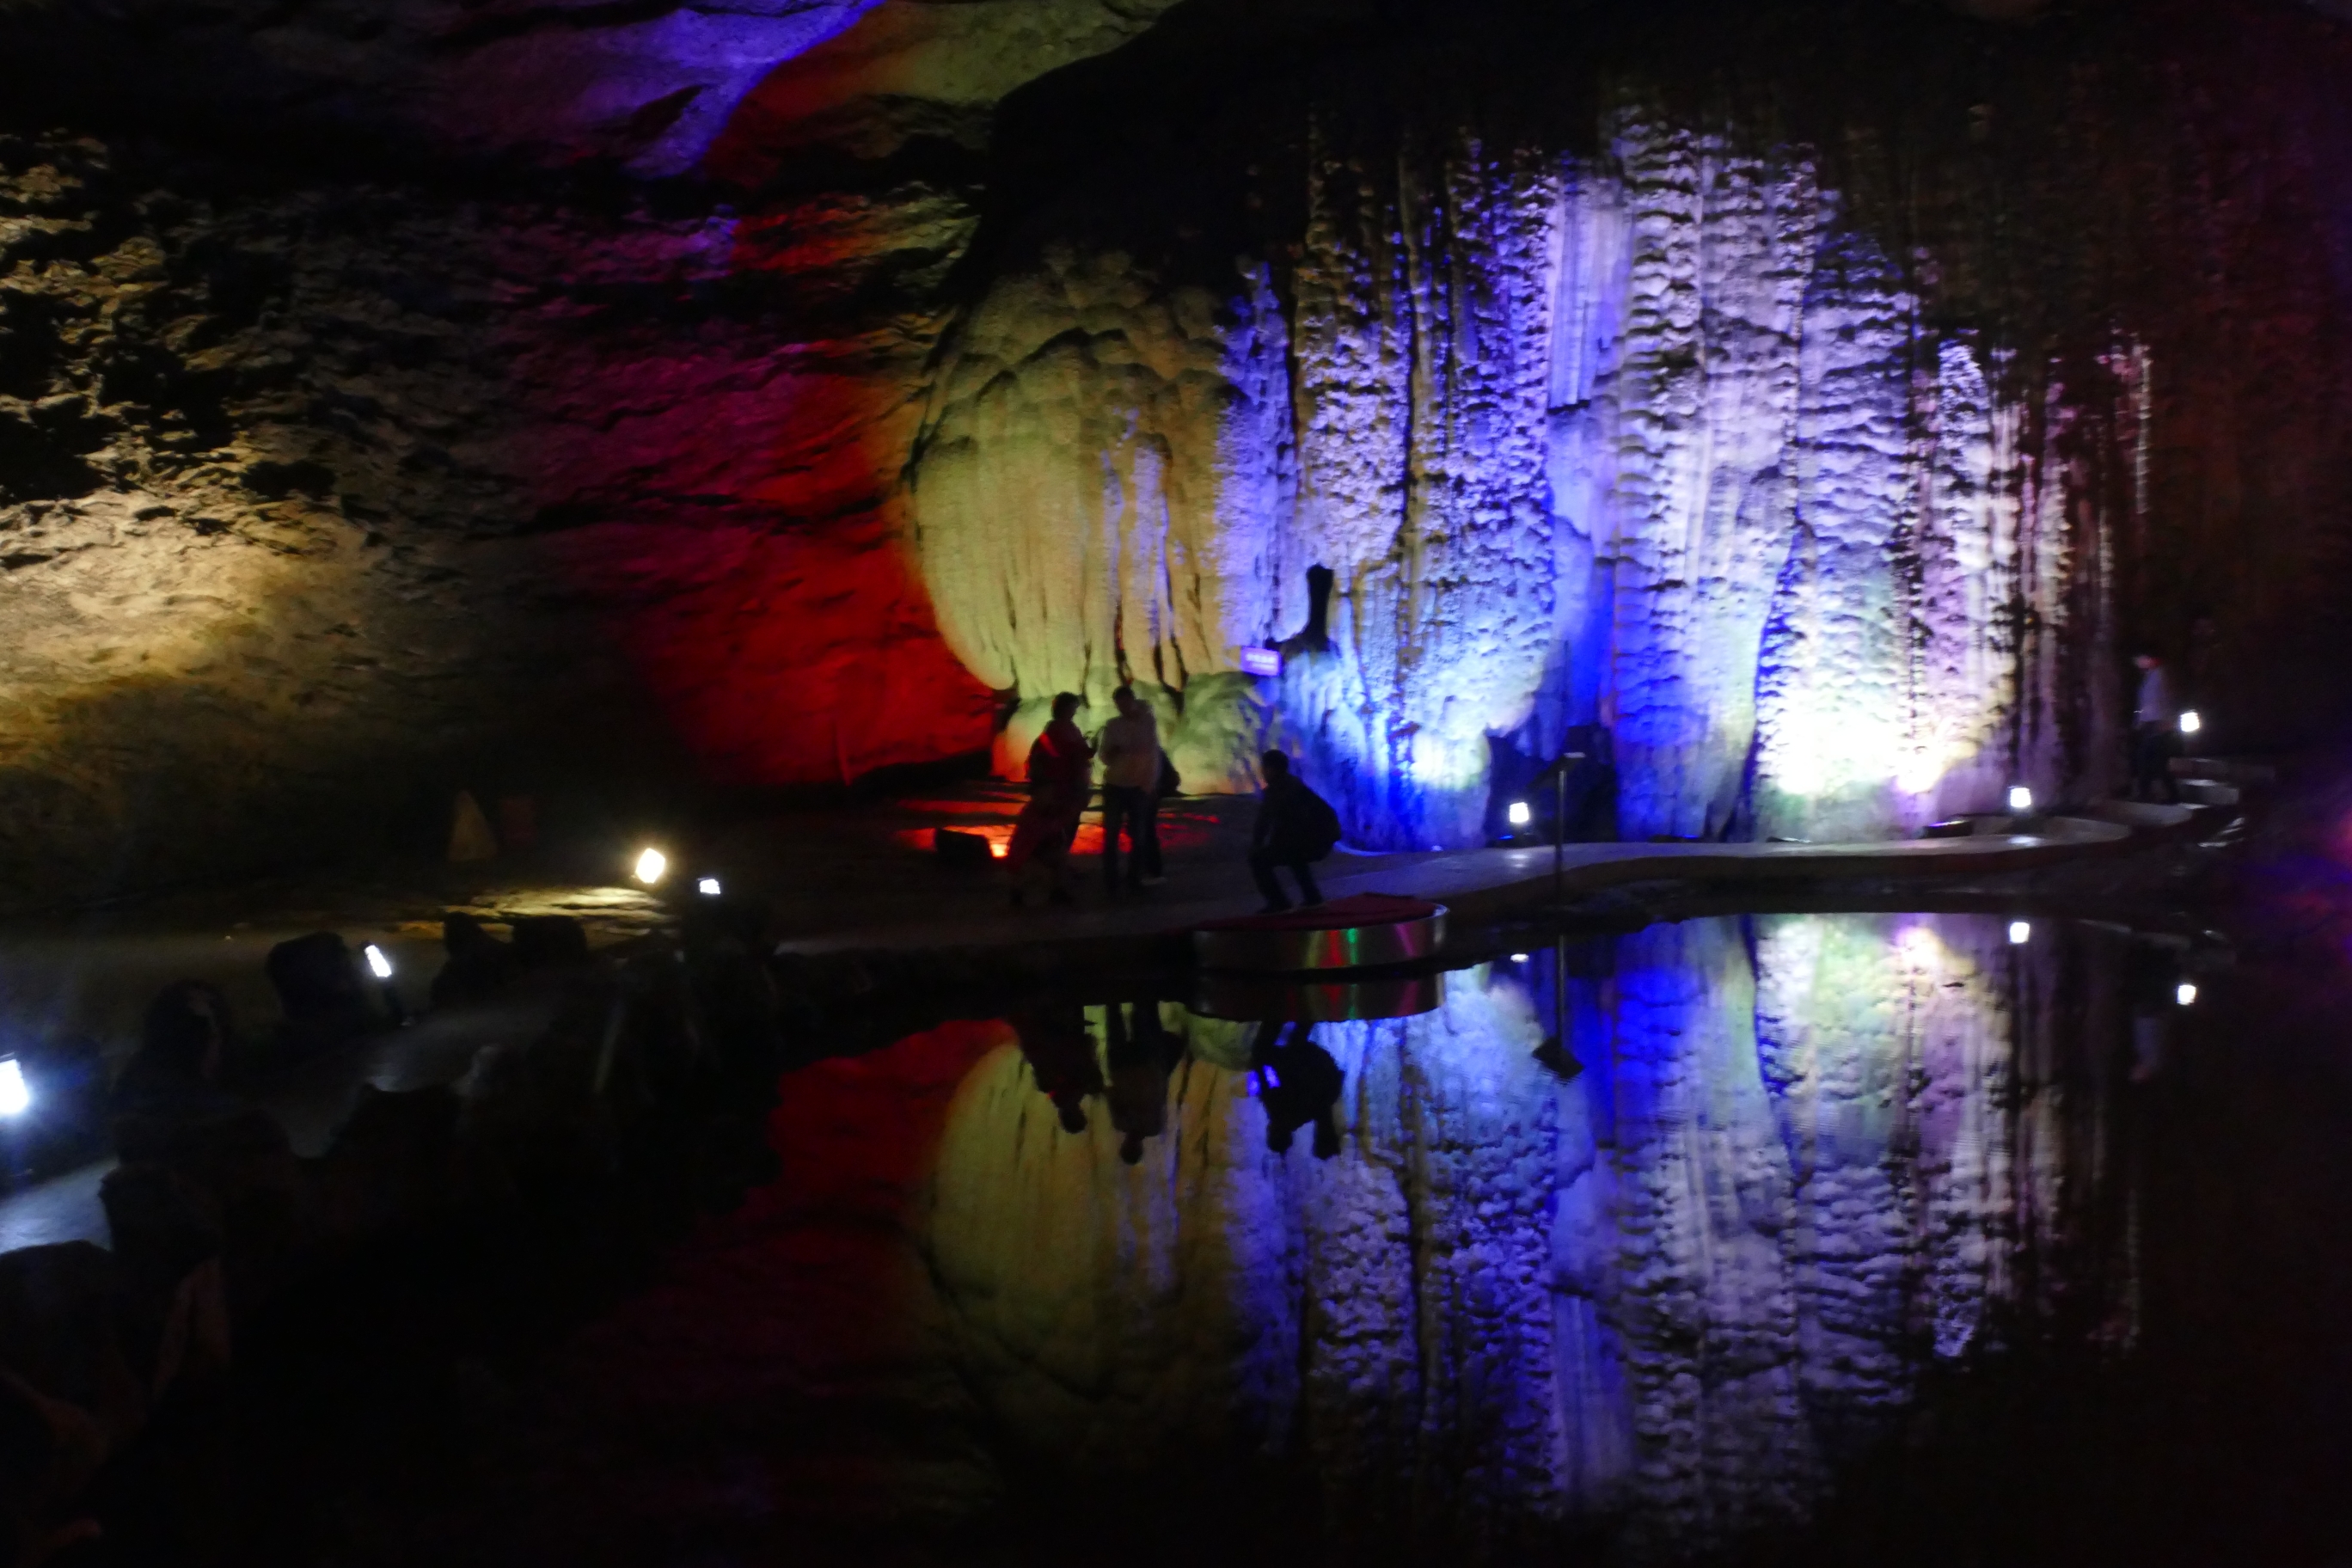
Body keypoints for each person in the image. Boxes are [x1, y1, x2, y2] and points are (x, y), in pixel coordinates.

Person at [1005, 693, 1093, 907]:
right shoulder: (1055, 734)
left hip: (1063, 794)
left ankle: (1054, 887)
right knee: (1049, 844)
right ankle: (1038, 888)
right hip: (1058, 796)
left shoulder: (1065, 731)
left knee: (1056, 844)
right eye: (1072, 708)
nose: (1074, 712)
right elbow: (1065, 758)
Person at [1248, 750, 1339, 913]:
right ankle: (1313, 898)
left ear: (1272, 769)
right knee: (1294, 854)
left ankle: (1279, 903)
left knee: (1259, 859)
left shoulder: (1279, 790)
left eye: (1264, 767)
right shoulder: (1292, 784)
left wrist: (1256, 846)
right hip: (1320, 839)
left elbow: (1265, 822)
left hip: (1312, 841)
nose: (1262, 771)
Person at [1096, 685, 1166, 895]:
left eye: (1125, 702)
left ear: (1132, 701)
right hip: (1115, 785)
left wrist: (1149, 783)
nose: (1122, 707)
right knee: (1111, 836)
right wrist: (1113, 751)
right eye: (1119, 704)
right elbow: (1104, 757)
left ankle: (1134, 876)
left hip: (1137, 787)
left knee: (1138, 835)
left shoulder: (1147, 723)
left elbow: (1153, 755)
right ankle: (1112, 879)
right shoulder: (1112, 725)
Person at [2130, 652, 2181, 804]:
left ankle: (2161, 794)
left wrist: (2168, 721)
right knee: (2149, 759)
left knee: (2153, 760)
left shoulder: (2160, 675)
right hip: (2152, 724)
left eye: (2139, 659)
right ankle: (2149, 793)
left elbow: (2166, 699)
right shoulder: (2151, 676)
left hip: (2159, 724)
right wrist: (2140, 721)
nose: (2137, 663)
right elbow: (2147, 703)